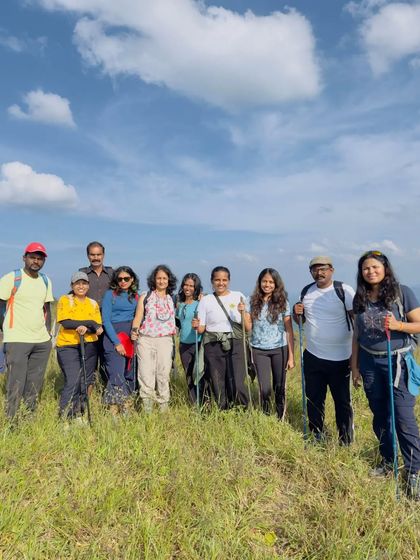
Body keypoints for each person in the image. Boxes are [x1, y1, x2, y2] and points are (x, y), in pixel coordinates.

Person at [351, 250, 420, 499]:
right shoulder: (360, 298)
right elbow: (357, 336)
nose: (370, 271)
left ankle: (414, 471)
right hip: (369, 361)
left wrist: (399, 325)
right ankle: (388, 461)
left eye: (375, 267)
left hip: (398, 361)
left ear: (385, 269)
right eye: (366, 268)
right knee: (380, 416)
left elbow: (418, 323)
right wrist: (355, 366)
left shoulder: (402, 293)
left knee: (403, 417)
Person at [293, 256, 354, 444]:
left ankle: (345, 439)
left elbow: (356, 320)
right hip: (313, 355)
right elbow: (301, 322)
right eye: (315, 269)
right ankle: (316, 435)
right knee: (314, 399)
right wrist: (297, 314)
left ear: (332, 270)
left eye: (323, 269)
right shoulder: (306, 291)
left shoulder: (343, 290)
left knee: (342, 402)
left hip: (341, 357)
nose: (319, 273)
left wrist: (357, 357)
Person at [0, 242, 54, 419]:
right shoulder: (12, 278)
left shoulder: (45, 281)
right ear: (25, 258)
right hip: (17, 338)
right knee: (16, 382)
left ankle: (28, 418)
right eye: (32, 257)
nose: (36, 261)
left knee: (34, 383)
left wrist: (47, 335)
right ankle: (12, 420)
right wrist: (5, 329)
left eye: (40, 258)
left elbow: (47, 308)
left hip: (40, 341)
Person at [192, 266, 250, 409]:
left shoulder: (239, 296)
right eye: (217, 280)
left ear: (229, 281)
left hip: (236, 342)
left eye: (224, 280)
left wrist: (243, 313)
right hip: (213, 344)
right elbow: (201, 329)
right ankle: (222, 411)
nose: (221, 283)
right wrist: (196, 325)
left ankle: (242, 410)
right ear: (212, 281)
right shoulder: (206, 300)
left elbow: (248, 327)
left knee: (237, 380)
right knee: (217, 381)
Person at [248, 268, 294, 419]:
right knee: (264, 388)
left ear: (276, 284)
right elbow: (248, 327)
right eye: (264, 281)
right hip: (258, 349)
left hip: (280, 349)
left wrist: (291, 356)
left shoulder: (283, 302)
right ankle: (266, 416)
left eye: (271, 282)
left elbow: (289, 330)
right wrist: (243, 313)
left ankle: (280, 416)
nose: (267, 285)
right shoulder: (252, 301)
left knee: (279, 386)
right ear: (259, 282)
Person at [56, 272, 102, 421]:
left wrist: (87, 327)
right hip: (68, 345)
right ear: (72, 286)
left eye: (84, 283)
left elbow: (98, 327)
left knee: (86, 381)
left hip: (89, 344)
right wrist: (89, 324)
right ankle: (65, 416)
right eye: (77, 283)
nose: (81, 286)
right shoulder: (65, 300)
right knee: (74, 379)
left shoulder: (93, 303)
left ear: (88, 286)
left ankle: (79, 413)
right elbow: (66, 322)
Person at [131, 265, 177, 413]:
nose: (161, 281)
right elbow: (138, 316)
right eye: (159, 278)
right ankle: (148, 410)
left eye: (164, 278)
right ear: (154, 280)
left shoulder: (173, 298)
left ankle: (164, 407)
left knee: (163, 374)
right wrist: (134, 330)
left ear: (169, 280)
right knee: (145, 374)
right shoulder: (146, 296)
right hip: (146, 340)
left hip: (165, 340)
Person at [102, 267, 139, 414]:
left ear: (132, 280)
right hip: (113, 337)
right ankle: (115, 409)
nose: (123, 282)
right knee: (116, 374)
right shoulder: (110, 295)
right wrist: (117, 343)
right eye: (120, 279)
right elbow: (106, 320)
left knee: (129, 374)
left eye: (126, 279)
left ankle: (126, 404)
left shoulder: (136, 297)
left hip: (130, 338)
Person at [79, 241, 113, 386]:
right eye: (92, 255)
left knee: (107, 359)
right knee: (89, 361)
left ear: (103, 255)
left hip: (108, 323)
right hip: (88, 324)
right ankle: (87, 395)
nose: (96, 258)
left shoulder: (112, 273)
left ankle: (107, 393)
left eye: (98, 254)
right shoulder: (82, 273)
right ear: (88, 256)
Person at [175, 273, 207, 405]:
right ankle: (193, 403)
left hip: (197, 342)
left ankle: (204, 401)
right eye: (186, 285)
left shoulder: (200, 303)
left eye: (191, 286)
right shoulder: (179, 304)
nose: (188, 288)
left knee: (199, 374)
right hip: (184, 345)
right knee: (188, 375)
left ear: (196, 287)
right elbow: (178, 323)